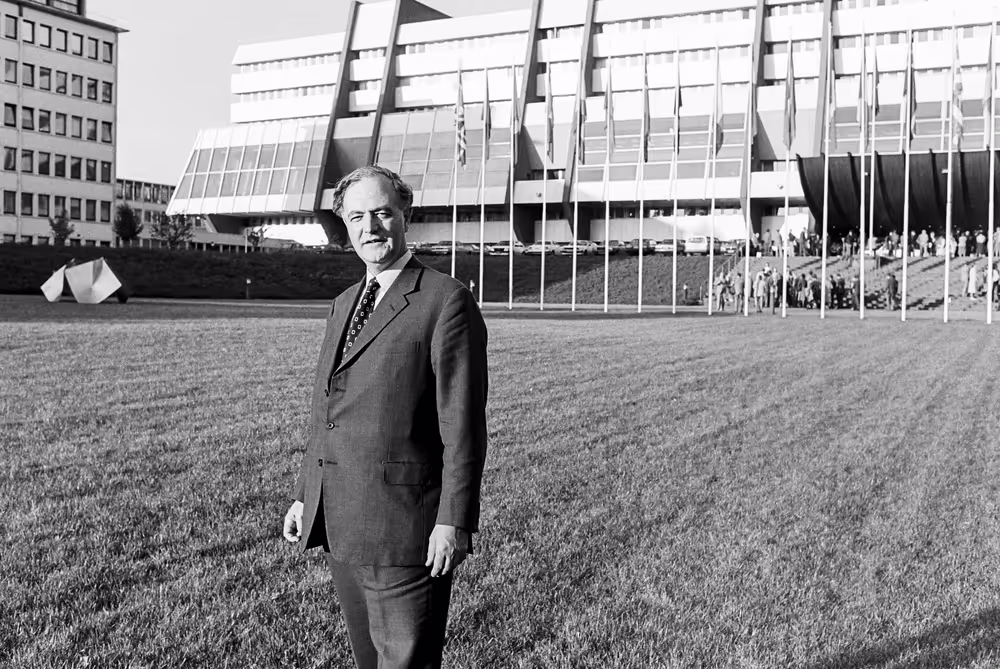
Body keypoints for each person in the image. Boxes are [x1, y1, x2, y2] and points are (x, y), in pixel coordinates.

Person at [282, 165, 489, 669]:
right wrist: (306, 495)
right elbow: (326, 409)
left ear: (405, 215)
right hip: (343, 524)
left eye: (381, 213)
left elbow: (462, 427)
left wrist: (452, 520)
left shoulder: (445, 300)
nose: (370, 227)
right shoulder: (344, 303)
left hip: (406, 533)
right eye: (357, 217)